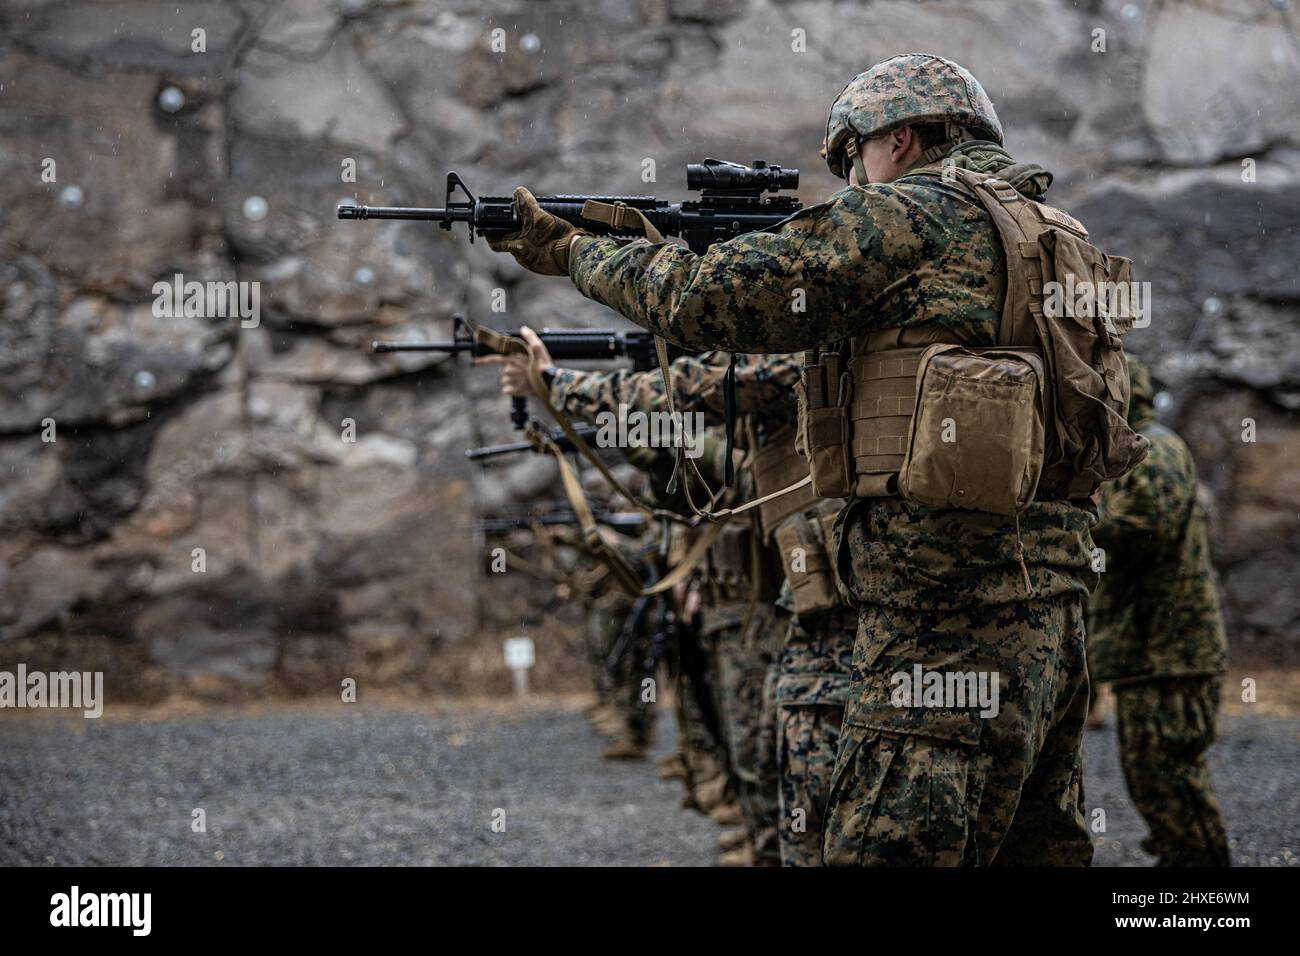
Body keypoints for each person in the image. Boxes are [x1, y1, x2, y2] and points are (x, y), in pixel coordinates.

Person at [483, 53, 1133, 865]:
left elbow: (709, 299)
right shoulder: (1057, 234)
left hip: (939, 617)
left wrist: (570, 250)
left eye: (852, 157)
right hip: (1054, 612)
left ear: (897, 138)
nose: (854, 178)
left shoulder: (912, 216)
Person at [1087, 356, 1231, 866]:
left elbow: (1145, 529)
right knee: (1153, 780)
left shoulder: (1153, 449)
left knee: (1170, 780)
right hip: (1149, 651)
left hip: (1172, 652)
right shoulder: (1130, 451)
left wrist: (1071, 527)